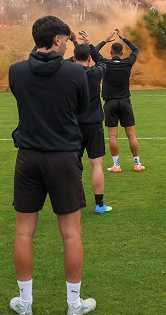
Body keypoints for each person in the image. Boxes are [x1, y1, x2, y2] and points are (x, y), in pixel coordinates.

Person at [8, 15, 95, 315]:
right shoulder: (75, 73)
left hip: (29, 157)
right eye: (66, 38)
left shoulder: (16, 72)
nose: (68, 42)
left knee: (23, 232)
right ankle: (73, 305)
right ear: (58, 39)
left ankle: (26, 303)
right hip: (63, 158)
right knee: (70, 233)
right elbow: (81, 108)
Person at [73, 30, 111, 215]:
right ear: (89, 58)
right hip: (94, 124)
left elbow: (63, 63)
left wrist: (76, 44)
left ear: (73, 58)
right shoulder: (96, 72)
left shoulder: (68, 73)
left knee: (74, 163)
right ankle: (100, 204)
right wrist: (90, 45)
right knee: (96, 164)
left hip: (73, 125)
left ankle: (76, 202)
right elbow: (102, 61)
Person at [96, 28, 144, 173]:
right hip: (124, 102)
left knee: (112, 135)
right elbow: (135, 49)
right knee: (131, 134)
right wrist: (123, 38)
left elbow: (93, 51)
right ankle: (137, 164)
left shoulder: (105, 63)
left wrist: (106, 39)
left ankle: (116, 166)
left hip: (110, 103)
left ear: (111, 52)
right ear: (122, 53)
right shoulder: (127, 63)